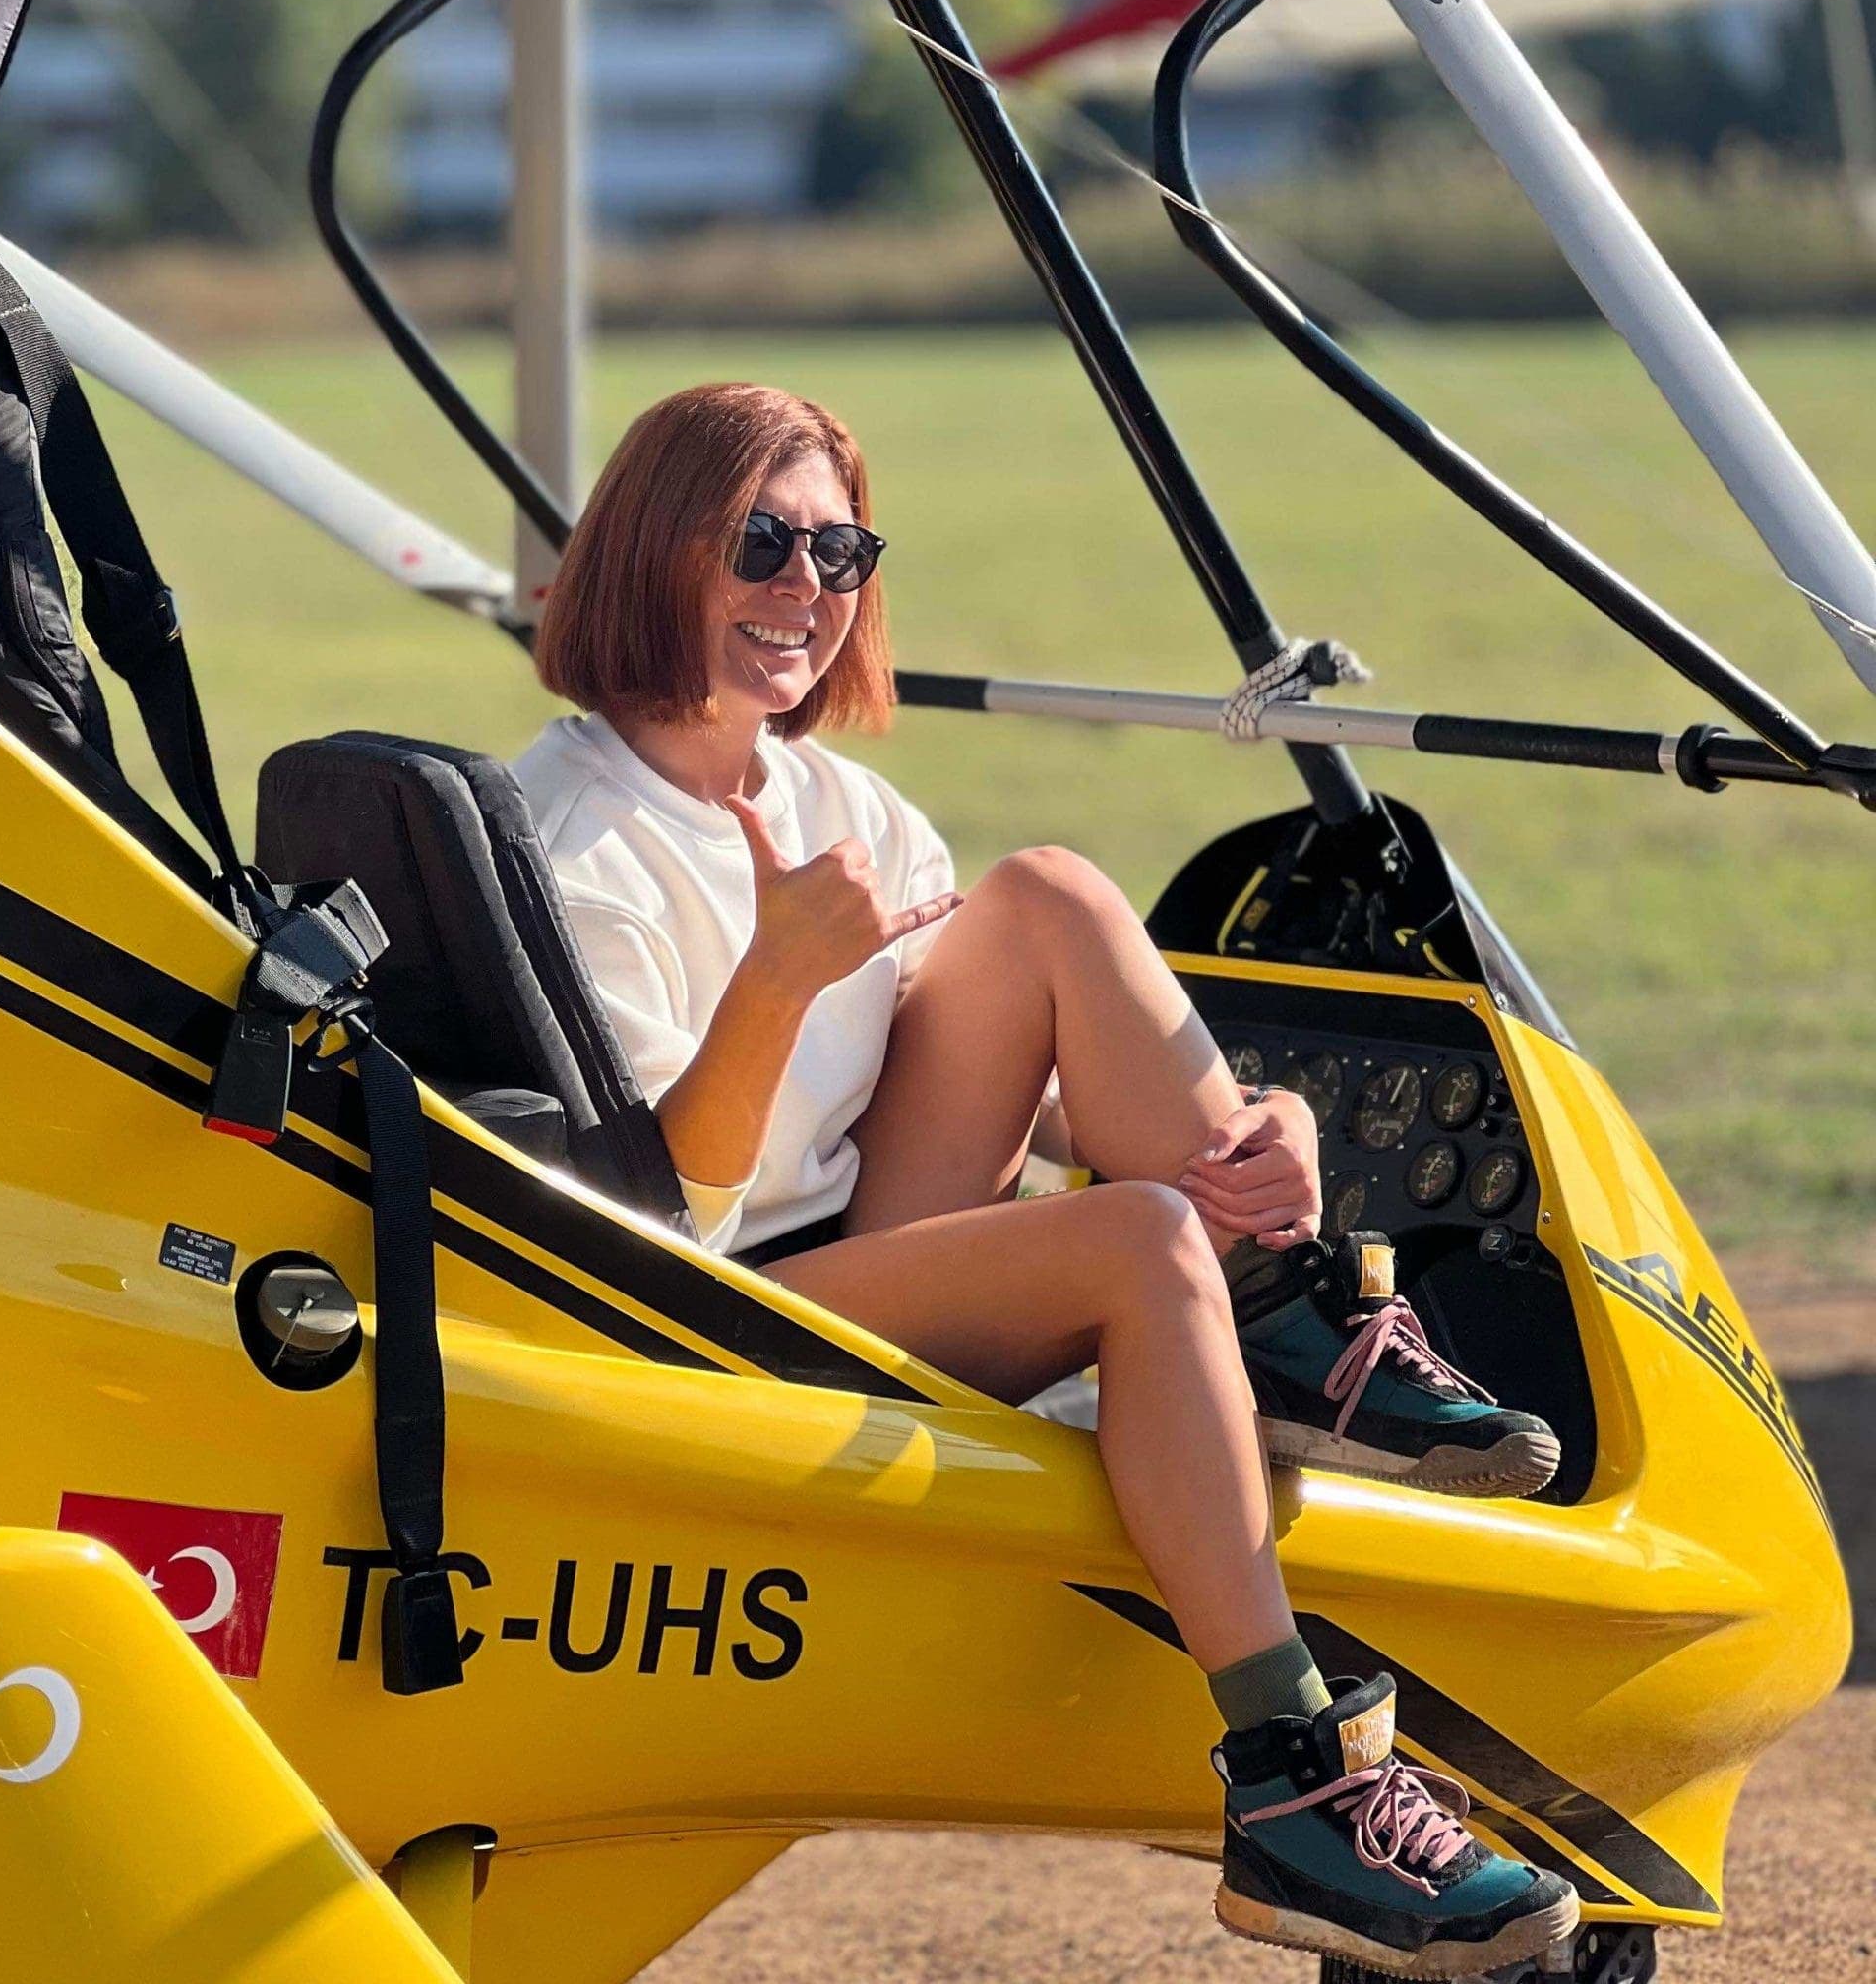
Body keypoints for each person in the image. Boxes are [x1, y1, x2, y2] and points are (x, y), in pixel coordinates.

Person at [511, 381, 1573, 1980]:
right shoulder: (576, 835)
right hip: (710, 1310)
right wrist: (776, 983)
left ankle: (1290, 1301)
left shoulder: (836, 805)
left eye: (841, 550)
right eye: (762, 542)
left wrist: (1255, 1129)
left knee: (1055, 898)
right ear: (655, 552)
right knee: (1141, 1250)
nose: (808, 588)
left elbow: (1017, 1072)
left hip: (863, 1243)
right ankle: (1298, 1784)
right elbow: (664, 1218)